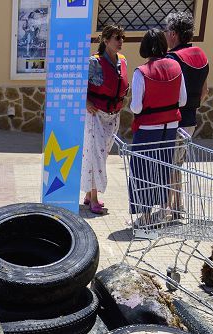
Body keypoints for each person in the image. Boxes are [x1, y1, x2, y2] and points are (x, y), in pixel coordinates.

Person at [127, 28, 187, 226]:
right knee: (163, 168)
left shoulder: (141, 72)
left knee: (142, 170)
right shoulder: (177, 67)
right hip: (170, 126)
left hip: (147, 128)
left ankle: (144, 216)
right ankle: (163, 211)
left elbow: (136, 107)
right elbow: (183, 100)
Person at [81, 24, 128, 215]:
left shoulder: (122, 60)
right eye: (117, 38)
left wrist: (123, 99)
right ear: (106, 40)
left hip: (113, 116)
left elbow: (123, 84)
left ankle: (87, 194)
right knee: (95, 156)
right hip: (95, 115)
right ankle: (93, 198)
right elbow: (79, 84)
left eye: (122, 38)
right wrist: (85, 102)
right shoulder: (95, 62)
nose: (120, 42)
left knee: (102, 155)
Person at [164, 10, 209, 138]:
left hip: (173, 122)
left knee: (165, 157)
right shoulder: (201, 55)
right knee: (179, 157)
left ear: (173, 34)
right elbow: (205, 91)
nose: (165, 35)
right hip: (190, 120)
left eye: (166, 31)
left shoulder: (171, 59)